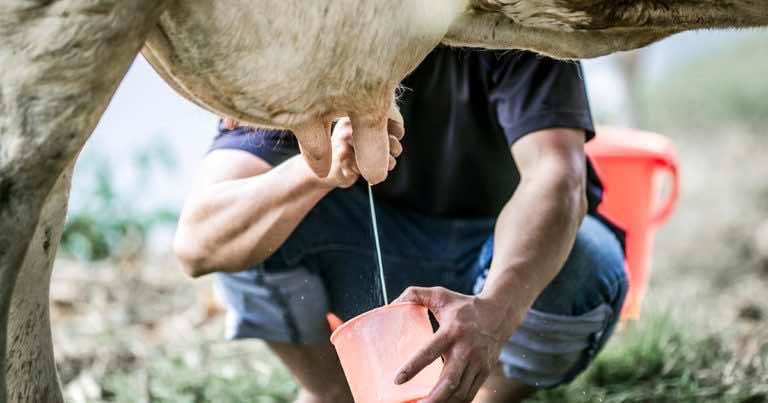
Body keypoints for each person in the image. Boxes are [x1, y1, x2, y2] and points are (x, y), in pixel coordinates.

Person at [174, 46, 627, 403]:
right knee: (246, 231)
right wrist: (316, 171)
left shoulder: (514, 21)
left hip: (499, 261)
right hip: (373, 263)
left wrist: (498, 310)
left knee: (584, 263)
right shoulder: (302, 52)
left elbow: (558, 178)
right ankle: (334, 391)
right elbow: (199, 242)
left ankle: (477, 394)